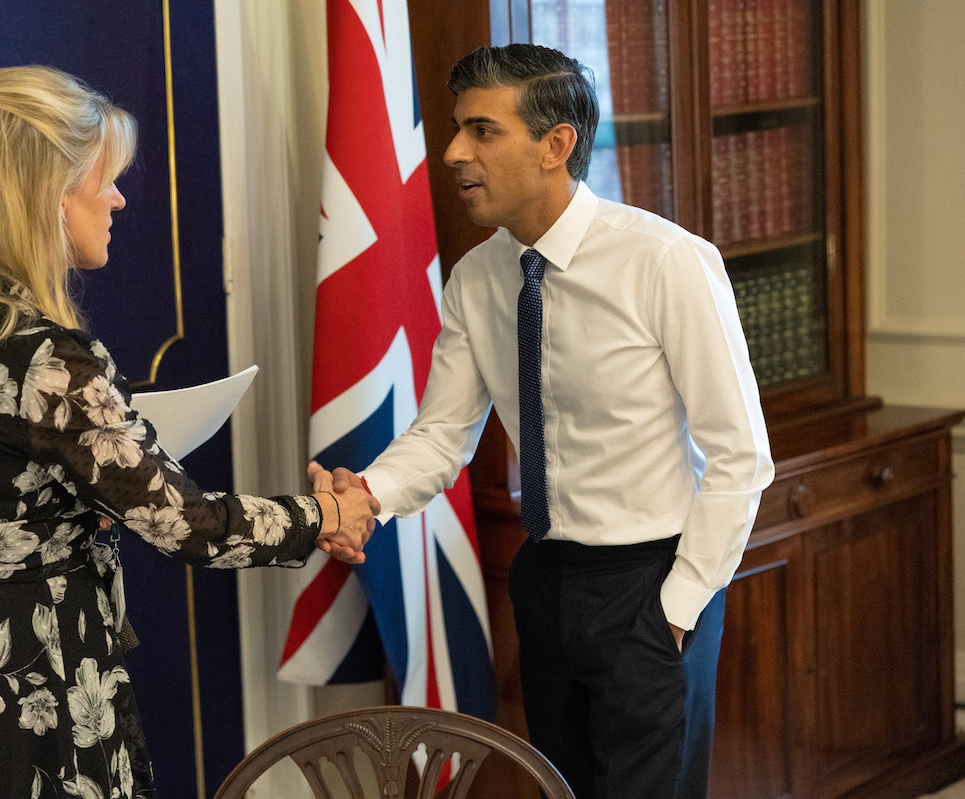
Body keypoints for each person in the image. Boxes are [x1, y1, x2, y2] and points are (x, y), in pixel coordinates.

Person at [0, 65, 377, 799]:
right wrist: (323, 514)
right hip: (36, 689)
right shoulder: (50, 360)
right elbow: (185, 525)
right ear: (51, 196)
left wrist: (31, 507)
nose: (119, 198)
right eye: (106, 179)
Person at [314, 44, 774, 798]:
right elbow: (440, 435)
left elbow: (739, 455)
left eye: (482, 131)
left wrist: (681, 603)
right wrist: (362, 495)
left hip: (650, 582)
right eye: (457, 128)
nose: (455, 152)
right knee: (561, 788)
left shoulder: (667, 261)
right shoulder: (476, 277)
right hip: (545, 581)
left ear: (555, 144)